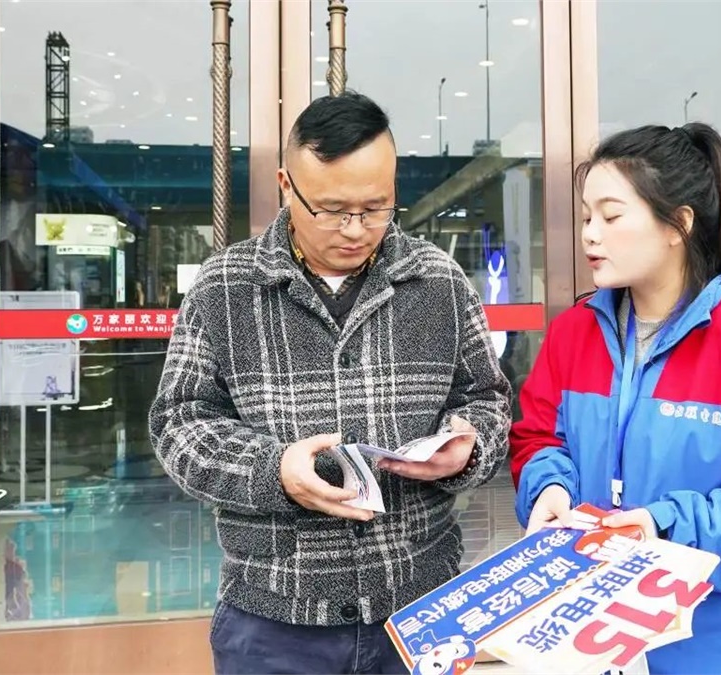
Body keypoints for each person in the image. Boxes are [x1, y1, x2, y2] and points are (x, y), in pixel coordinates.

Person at [149, 92, 512, 675]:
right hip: (274, 612)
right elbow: (179, 424)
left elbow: (488, 400)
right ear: (286, 186)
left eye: (376, 207)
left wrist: (469, 449)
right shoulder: (226, 287)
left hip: (421, 603)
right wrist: (273, 471)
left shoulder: (438, 280)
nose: (356, 229)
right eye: (332, 209)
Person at [509, 123, 721, 675]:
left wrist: (663, 529)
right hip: (594, 634)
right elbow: (538, 437)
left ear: (679, 223)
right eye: (586, 216)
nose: (590, 235)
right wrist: (549, 487)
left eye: (611, 216)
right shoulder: (574, 334)